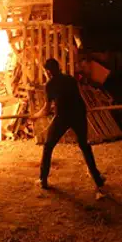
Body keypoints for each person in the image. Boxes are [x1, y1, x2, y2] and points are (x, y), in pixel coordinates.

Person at [31, 58, 105, 195]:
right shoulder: (70, 79)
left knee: (48, 146)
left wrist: (35, 116)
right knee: (84, 145)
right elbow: (76, 97)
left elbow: (46, 110)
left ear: (48, 71)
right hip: (79, 113)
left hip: (63, 117)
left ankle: (43, 179)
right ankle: (97, 179)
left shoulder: (50, 84)